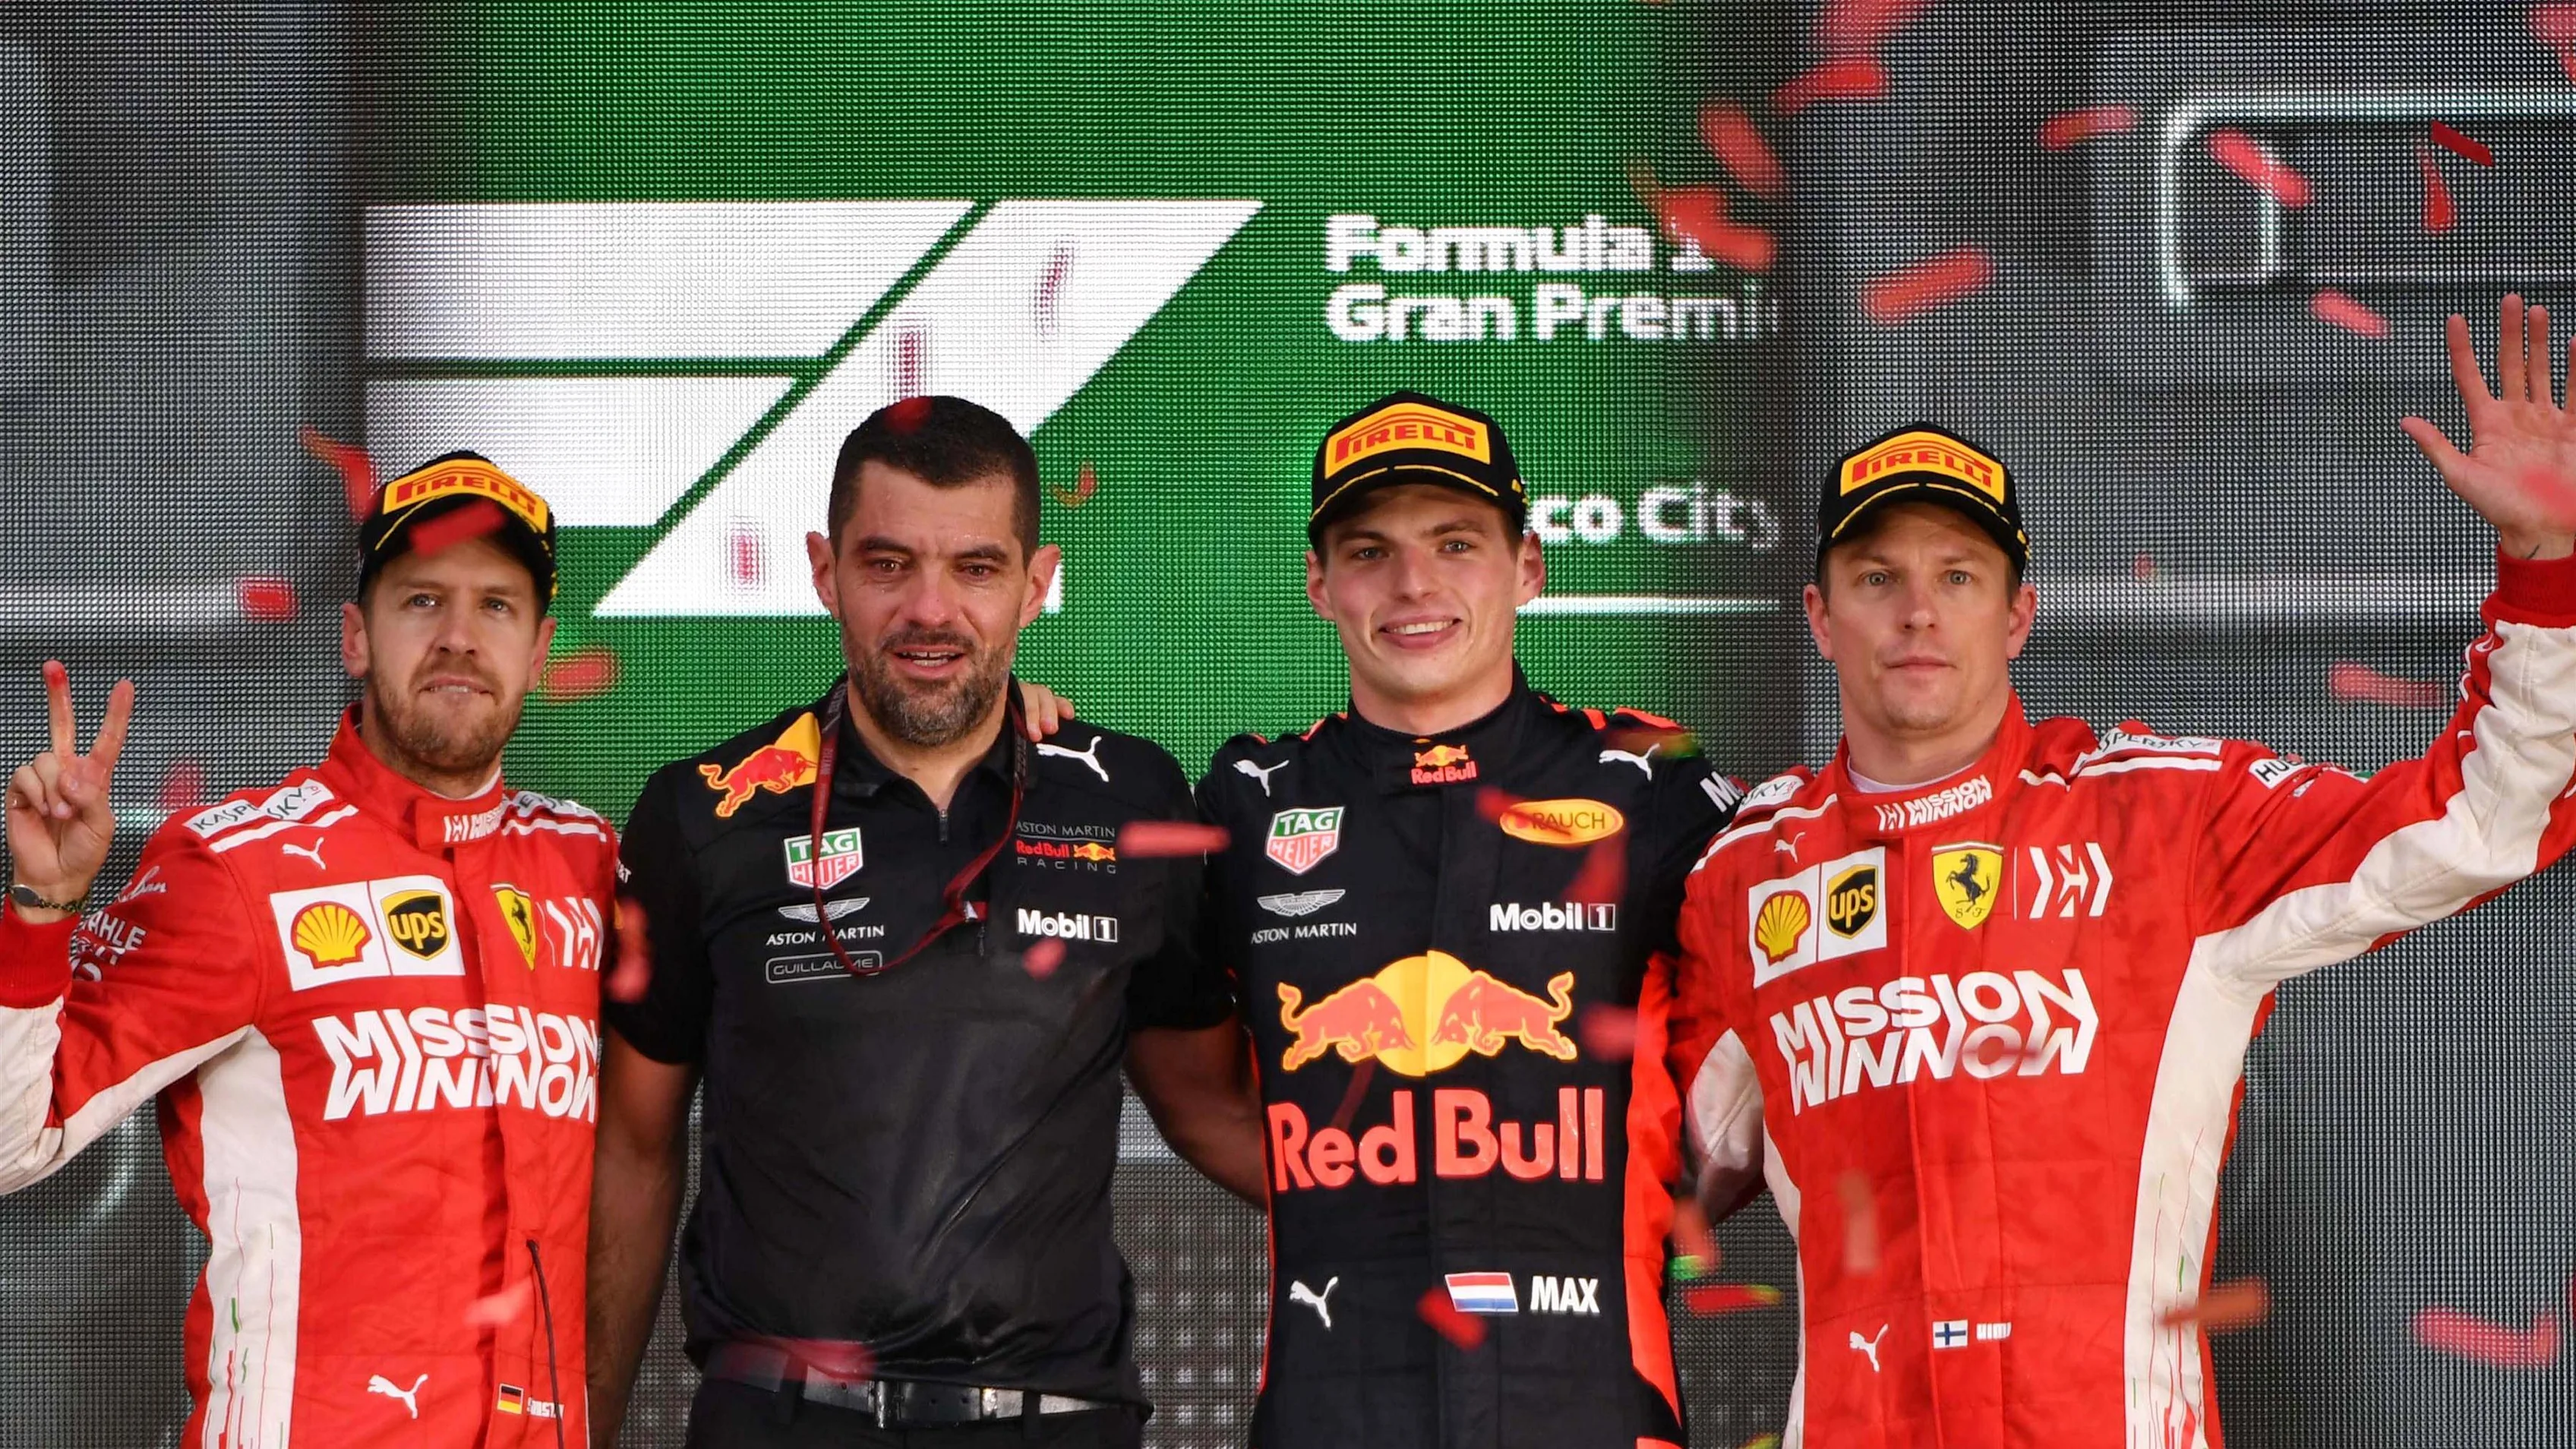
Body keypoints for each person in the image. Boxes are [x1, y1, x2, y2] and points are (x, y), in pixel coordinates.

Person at [1667, 296, 2576, 1447]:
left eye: (1958, 576)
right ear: (1819, 615)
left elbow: (2485, 817)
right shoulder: (1746, 874)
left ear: (2019, 616)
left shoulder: (2167, 820)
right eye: (1875, 576)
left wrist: (2547, 573)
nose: (1915, 612)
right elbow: (1651, 1164)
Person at [586, 396, 1254, 1448]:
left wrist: (1437, 1213)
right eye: (888, 564)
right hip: (781, 1420)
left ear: (1037, 586)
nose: (930, 611)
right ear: (824, 571)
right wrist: (587, 1423)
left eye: (977, 570)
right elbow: (630, 1150)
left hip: (1056, 1421)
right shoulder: (703, 813)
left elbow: (1214, 1110)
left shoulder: (1128, 797)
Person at [0, 453, 617, 1444]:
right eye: (421, 600)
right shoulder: (238, 869)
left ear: (541, 650)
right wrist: (43, 904)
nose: (459, 637)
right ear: (355, 637)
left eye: (495, 606)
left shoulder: (590, 865)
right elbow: (10, 1139)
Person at [1188, 391, 1741, 1447]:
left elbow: (1763, 1070)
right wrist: (1373, 1183)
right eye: (1370, 551)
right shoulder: (1249, 802)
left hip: (1587, 1403)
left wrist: (1599, 1208)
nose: (1413, 584)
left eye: (1456, 543)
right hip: (1334, 1403)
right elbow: (1184, 1068)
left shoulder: (1649, 782)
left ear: (1529, 567)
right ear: (1320, 586)